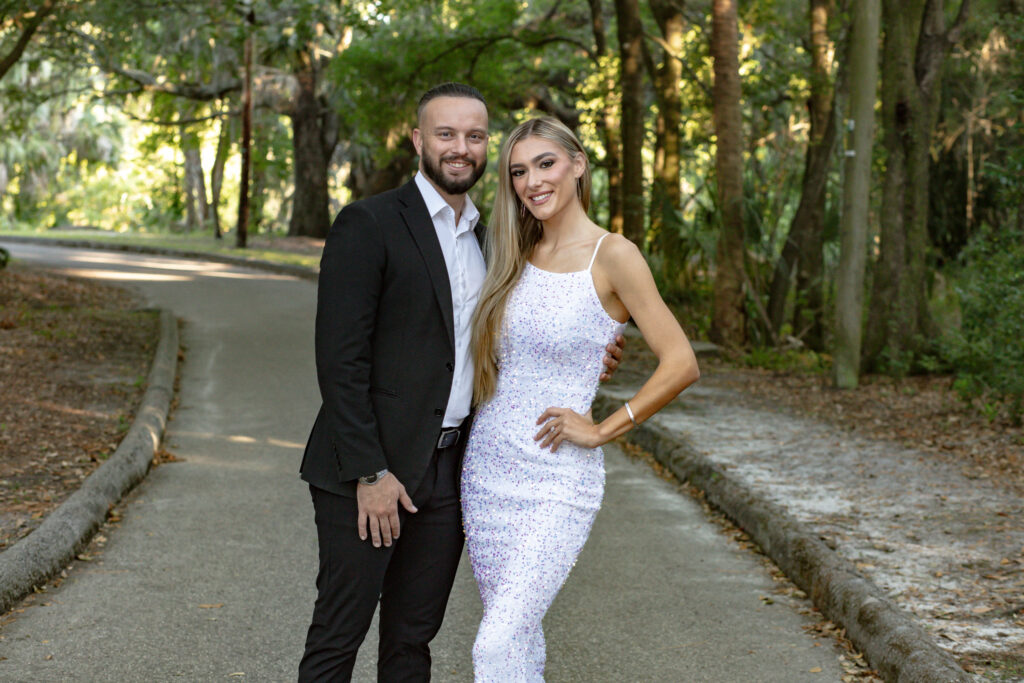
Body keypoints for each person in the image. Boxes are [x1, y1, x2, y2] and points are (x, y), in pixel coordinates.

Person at [298, 85, 622, 681]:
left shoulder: (495, 239)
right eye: (445, 134)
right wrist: (369, 473)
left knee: (411, 640)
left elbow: (526, 329)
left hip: (450, 475)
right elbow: (340, 363)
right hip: (369, 471)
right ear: (419, 140)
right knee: (338, 633)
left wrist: (593, 349)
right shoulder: (368, 224)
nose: (460, 147)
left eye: (475, 136)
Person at [461, 117, 701, 681]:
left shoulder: (614, 255)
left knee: (494, 647)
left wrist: (600, 429)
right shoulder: (510, 253)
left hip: (556, 479)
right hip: (488, 473)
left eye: (545, 164)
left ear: (577, 164)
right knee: (517, 645)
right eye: (518, 171)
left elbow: (681, 362)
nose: (532, 181)